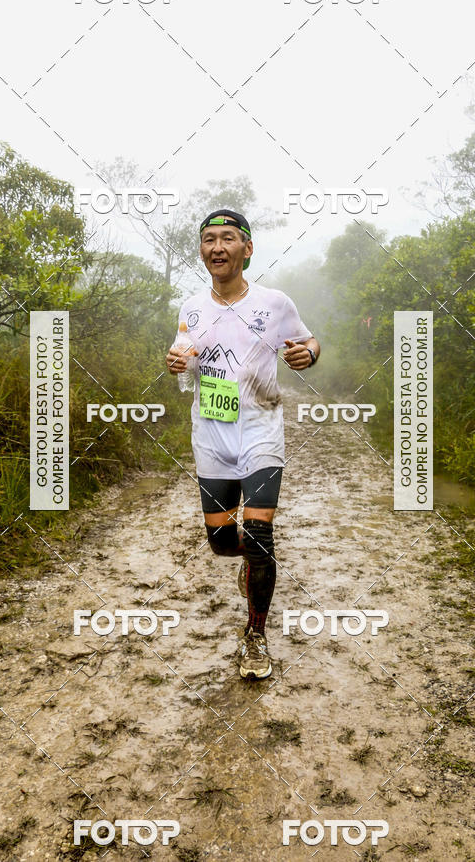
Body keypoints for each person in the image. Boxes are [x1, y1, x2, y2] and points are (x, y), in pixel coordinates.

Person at [166, 210, 320, 679]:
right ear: (201, 251)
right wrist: (177, 362)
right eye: (208, 239)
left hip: (260, 427)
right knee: (220, 542)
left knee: (258, 534)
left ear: (247, 249)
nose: (217, 247)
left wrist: (305, 355)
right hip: (211, 433)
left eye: (227, 238)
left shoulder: (274, 304)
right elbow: (184, 355)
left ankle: (255, 637)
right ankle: (254, 564)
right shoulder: (192, 307)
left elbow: (309, 344)